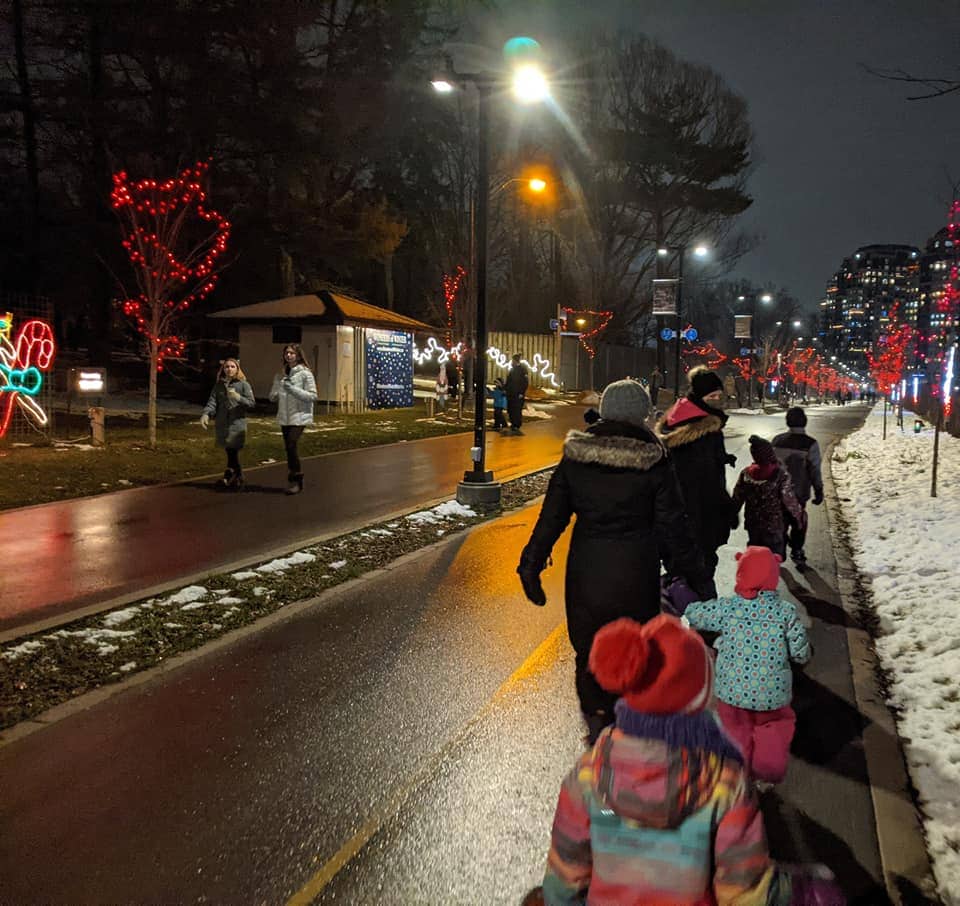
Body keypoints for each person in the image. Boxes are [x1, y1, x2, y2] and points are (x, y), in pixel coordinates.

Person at [539, 614, 808, 906]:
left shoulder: (588, 776)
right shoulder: (725, 785)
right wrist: (800, 891)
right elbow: (746, 894)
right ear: (700, 702)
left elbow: (562, 885)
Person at [517, 380, 709, 743]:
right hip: (637, 573)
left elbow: (551, 517)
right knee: (636, 648)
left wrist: (531, 565)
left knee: (588, 650)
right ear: (642, 415)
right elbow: (675, 528)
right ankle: (630, 726)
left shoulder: (577, 456)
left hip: (587, 572)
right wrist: (698, 580)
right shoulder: (654, 459)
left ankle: (597, 722)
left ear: (604, 411)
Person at [685, 546, 811, 785]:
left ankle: (736, 771)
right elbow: (800, 652)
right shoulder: (786, 613)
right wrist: (801, 655)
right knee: (773, 730)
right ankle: (767, 770)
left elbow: (697, 615)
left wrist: (687, 603)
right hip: (772, 694)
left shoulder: (728, 608)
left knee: (735, 731)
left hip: (732, 692)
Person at [654, 366, 738, 593]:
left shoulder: (679, 422)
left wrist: (722, 457)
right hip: (698, 522)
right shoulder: (705, 432)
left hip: (674, 524)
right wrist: (727, 509)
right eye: (712, 397)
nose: (717, 400)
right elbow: (705, 483)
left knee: (679, 583)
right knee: (700, 584)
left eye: (719, 396)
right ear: (700, 398)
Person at [733, 435, 804, 559]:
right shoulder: (780, 475)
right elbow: (789, 502)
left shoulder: (746, 473)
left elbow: (737, 498)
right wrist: (799, 517)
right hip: (773, 526)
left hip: (753, 524)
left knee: (755, 555)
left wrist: (732, 515)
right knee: (773, 557)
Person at [772, 407, 824, 568]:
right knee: (798, 522)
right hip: (799, 491)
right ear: (804, 422)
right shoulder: (810, 444)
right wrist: (818, 490)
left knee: (780, 521)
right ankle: (797, 550)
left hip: (778, 490)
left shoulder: (777, 441)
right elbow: (814, 469)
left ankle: (779, 549)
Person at [269, 344, 318, 495]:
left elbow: (312, 396)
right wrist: (276, 392)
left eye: (292, 353)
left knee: (291, 443)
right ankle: (294, 477)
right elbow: (272, 396)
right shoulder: (280, 375)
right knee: (289, 448)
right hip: (285, 417)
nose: (289, 355)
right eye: (286, 353)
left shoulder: (305, 374)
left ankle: (296, 479)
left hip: (300, 416)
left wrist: (292, 389)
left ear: (298, 355)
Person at [200, 357, 255, 489]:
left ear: (237, 369)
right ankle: (233, 477)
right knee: (230, 451)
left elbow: (251, 403)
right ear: (223, 369)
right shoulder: (219, 385)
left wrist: (238, 397)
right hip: (222, 423)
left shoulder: (243, 384)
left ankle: (233, 476)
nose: (229, 369)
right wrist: (206, 414)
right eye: (227, 367)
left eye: (232, 366)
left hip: (237, 423)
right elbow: (212, 402)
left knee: (232, 450)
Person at [504, 352, 529, 434]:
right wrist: (505, 389)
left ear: (515, 361)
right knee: (511, 409)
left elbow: (525, 383)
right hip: (511, 393)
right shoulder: (512, 369)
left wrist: (521, 392)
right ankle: (513, 423)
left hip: (517, 394)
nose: (512, 362)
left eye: (513, 360)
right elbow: (509, 381)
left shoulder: (522, 370)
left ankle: (516, 425)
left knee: (516, 410)